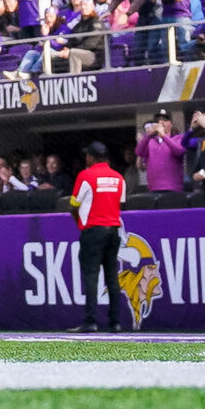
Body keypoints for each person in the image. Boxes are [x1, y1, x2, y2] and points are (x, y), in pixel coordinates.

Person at [70, 141, 128, 332]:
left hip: (93, 230)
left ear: (91, 157)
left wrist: (80, 223)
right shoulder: (119, 177)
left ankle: (90, 321)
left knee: (91, 277)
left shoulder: (85, 176)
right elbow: (121, 204)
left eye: (87, 155)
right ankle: (115, 322)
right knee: (112, 276)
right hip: (113, 230)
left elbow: (73, 205)